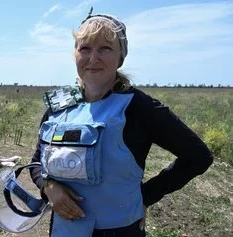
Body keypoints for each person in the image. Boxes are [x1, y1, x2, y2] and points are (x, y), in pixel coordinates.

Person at [30, 8, 213, 237]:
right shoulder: (60, 107)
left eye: (105, 49)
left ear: (120, 56)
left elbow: (198, 156)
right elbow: (36, 163)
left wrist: (145, 197)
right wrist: (49, 187)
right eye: (84, 48)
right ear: (74, 53)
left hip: (120, 230)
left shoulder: (138, 107)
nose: (93, 58)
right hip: (64, 230)